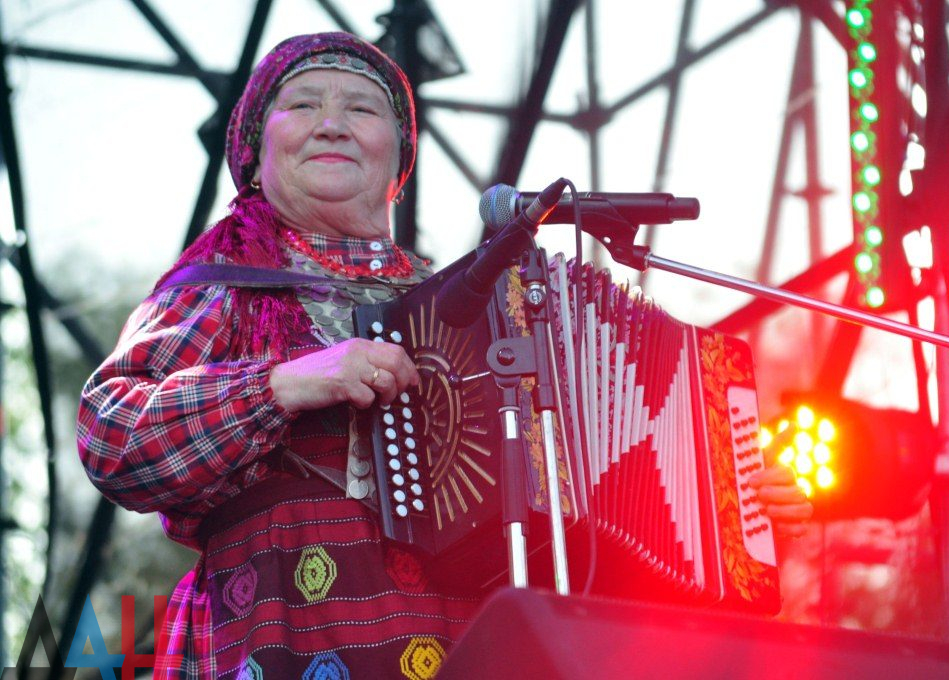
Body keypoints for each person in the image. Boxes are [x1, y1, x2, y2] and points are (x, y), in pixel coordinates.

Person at [77, 31, 811, 680]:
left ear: (398, 154)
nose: (332, 124)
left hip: (475, 638)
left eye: (362, 110)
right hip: (290, 632)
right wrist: (285, 383)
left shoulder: (476, 301)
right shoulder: (224, 283)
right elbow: (113, 436)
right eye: (301, 105)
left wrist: (729, 496)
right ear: (255, 147)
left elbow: (585, 495)